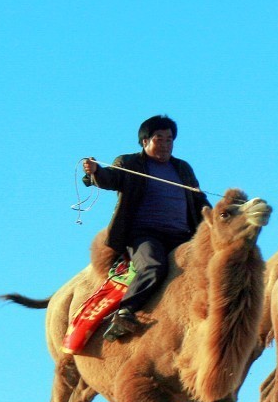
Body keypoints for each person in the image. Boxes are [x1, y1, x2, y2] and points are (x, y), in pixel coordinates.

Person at [82, 114, 210, 340]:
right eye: (159, 139)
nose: (165, 144)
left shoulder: (183, 169)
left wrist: (222, 216)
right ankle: (125, 311)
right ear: (145, 141)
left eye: (169, 139)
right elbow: (110, 179)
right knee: (153, 265)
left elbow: (199, 201)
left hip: (182, 235)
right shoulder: (130, 164)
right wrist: (95, 172)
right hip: (145, 235)